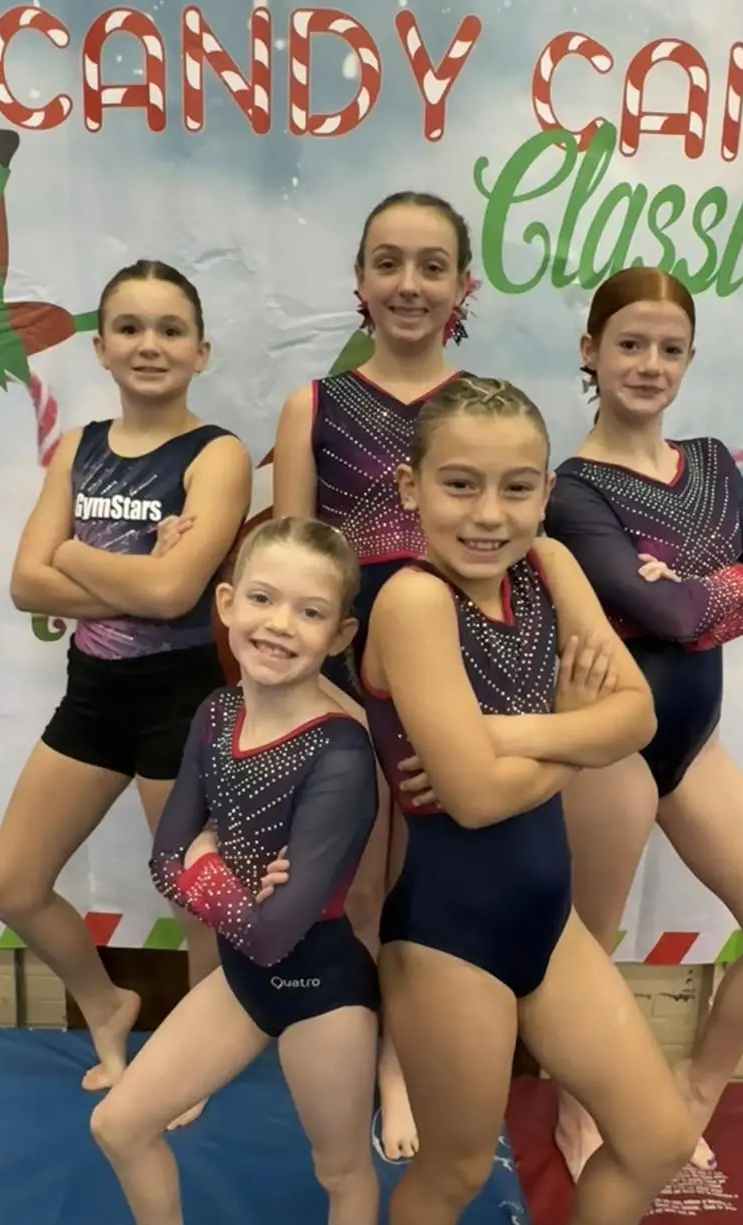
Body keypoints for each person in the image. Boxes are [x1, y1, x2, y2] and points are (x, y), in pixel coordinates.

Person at [360, 375, 695, 1225]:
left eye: (515, 487)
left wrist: (509, 731)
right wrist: (570, 732)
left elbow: (637, 717)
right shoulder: (412, 599)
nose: (489, 513)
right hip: (447, 936)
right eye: (459, 484)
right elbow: (465, 797)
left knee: (654, 1138)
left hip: (546, 926)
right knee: (458, 1166)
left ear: (545, 492)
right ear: (411, 489)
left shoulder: (549, 566)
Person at [89, 516, 381, 1225]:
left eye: (309, 611)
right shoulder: (217, 715)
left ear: (340, 634)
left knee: (341, 1171)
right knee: (119, 1124)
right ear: (226, 604)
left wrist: (210, 865)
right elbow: (163, 858)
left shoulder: (341, 750)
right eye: (262, 599)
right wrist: (221, 877)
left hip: (320, 990)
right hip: (245, 983)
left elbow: (279, 931)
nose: (279, 624)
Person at [545, 265, 743, 1180]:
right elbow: (662, 615)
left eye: (670, 349)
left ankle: (695, 1088)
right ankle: (577, 1107)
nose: (649, 365)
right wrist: (714, 589)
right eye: (630, 345)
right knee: (589, 948)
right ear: (591, 352)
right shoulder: (573, 489)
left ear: (690, 360)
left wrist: (697, 593)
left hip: (693, 742)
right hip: (610, 747)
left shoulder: (709, 462)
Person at [0, 259, 252, 1127]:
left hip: (181, 700)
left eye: (171, 329)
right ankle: (107, 1004)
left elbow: (176, 595)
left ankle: (195, 1058)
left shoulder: (217, 455)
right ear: (99, 348)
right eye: (129, 328)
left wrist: (74, 555)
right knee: (10, 884)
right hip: (93, 696)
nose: (149, 344)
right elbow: (24, 583)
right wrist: (137, 574)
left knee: (195, 898)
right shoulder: (80, 447)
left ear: (201, 350)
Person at [272, 191, 477, 1161]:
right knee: (356, 889)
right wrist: (313, 702)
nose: (408, 284)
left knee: (426, 891)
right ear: (358, 279)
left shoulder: (481, 410)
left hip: (453, 682)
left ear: (462, 286)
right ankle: (367, 1061)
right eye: (387, 262)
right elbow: (290, 572)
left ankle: (407, 1055)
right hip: (346, 685)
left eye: (431, 266)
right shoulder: (314, 406)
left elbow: (514, 555)